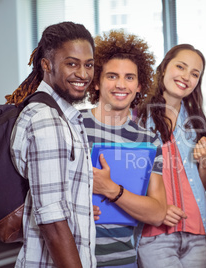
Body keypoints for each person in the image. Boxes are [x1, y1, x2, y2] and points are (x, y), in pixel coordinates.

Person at [7, 22, 96, 267]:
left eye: (88, 64)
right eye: (72, 63)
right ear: (46, 65)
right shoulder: (47, 120)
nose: (83, 74)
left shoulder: (62, 116)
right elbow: (52, 219)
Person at [80, 30, 167, 268]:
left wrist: (111, 189)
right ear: (96, 81)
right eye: (112, 76)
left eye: (129, 77)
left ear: (139, 86)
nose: (121, 84)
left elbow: (158, 212)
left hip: (123, 261)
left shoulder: (149, 141)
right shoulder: (71, 125)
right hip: (70, 257)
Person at [137, 44, 206, 268]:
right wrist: (158, 210)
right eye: (180, 66)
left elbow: (202, 184)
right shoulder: (138, 117)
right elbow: (129, 181)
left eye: (194, 73)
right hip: (155, 235)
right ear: (163, 69)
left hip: (196, 233)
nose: (186, 76)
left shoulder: (195, 121)